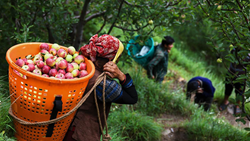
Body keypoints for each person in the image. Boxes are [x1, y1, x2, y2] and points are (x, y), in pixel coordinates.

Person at [63, 34, 138, 141]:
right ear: (111, 59)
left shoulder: (77, 64)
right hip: (81, 135)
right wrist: (121, 76)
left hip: (64, 129)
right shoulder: (103, 84)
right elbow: (132, 98)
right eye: (117, 58)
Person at [219, 48, 250, 114]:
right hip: (231, 74)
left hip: (241, 77)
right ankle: (225, 102)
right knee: (228, 88)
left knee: (239, 92)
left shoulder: (248, 55)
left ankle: (237, 106)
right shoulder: (234, 50)